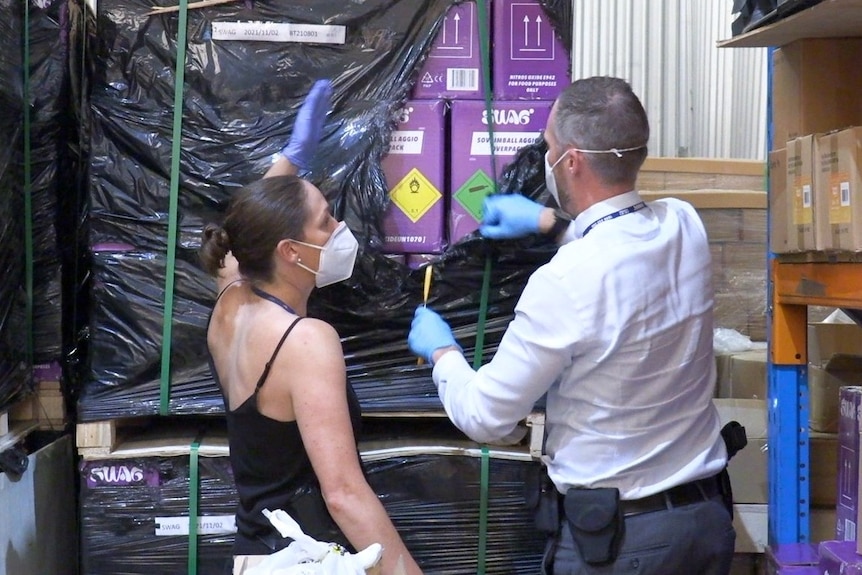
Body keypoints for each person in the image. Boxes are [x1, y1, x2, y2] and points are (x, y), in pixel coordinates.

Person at [407, 76, 736, 574]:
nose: (547, 156)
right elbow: (619, 259)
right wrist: (551, 224)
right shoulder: (685, 225)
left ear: (573, 161)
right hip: (706, 523)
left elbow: (485, 415)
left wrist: (442, 352)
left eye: (549, 146)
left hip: (623, 543)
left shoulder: (563, 281)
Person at [200, 79, 423, 575]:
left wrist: (291, 158)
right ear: (291, 252)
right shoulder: (305, 341)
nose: (339, 227)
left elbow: (241, 236)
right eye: (326, 221)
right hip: (310, 559)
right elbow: (342, 494)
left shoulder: (230, 304)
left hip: (256, 555)